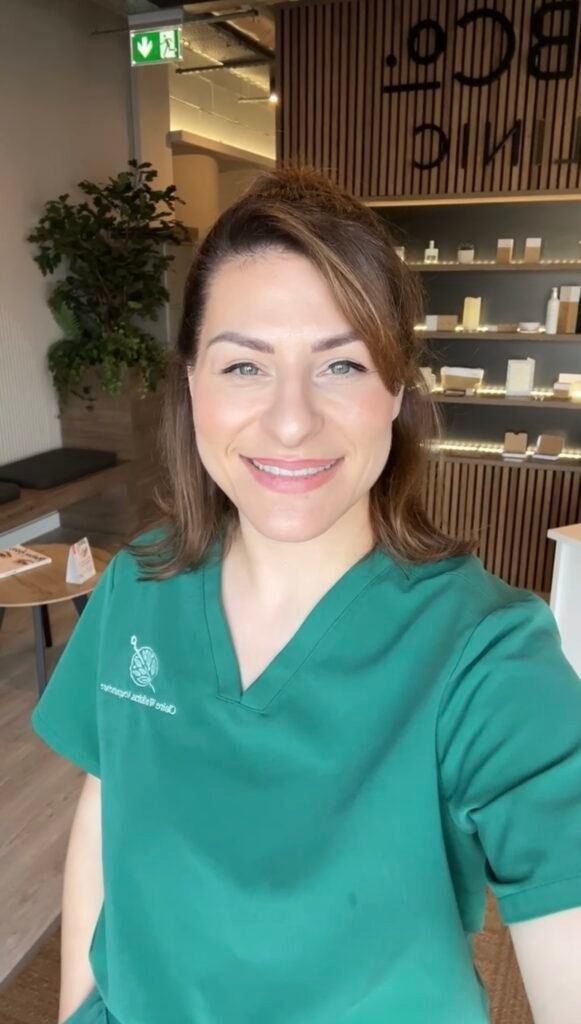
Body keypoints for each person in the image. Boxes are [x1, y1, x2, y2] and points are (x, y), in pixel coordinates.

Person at [32, 168, 581, 1024]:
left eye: (342, 365)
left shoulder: (490, 656)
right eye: (245, 364)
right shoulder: (139, 584)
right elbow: (110, 803)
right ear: (190, 383)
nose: (291, 421)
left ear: (395, 390)